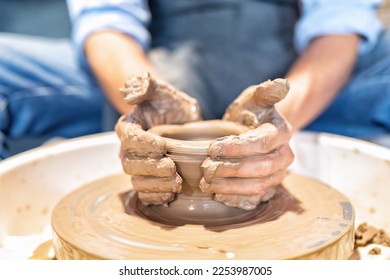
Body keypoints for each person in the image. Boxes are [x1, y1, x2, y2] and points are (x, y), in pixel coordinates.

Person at [0, 1, 389, 207]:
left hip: (292, 78)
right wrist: (149, 105)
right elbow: (108, 21)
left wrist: (276, 124)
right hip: (155, 70)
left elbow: (338, 28)